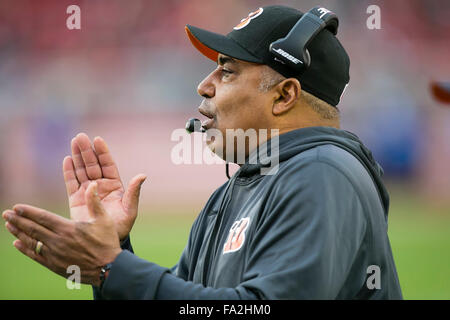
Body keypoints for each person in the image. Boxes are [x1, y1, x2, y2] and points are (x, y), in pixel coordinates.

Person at [2, 5, 402, 299]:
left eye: (227, 71)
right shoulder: (236, 191)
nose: (203, 85)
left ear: (285, 95)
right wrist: (115, 252)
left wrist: (112, 267)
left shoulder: (320, 174)